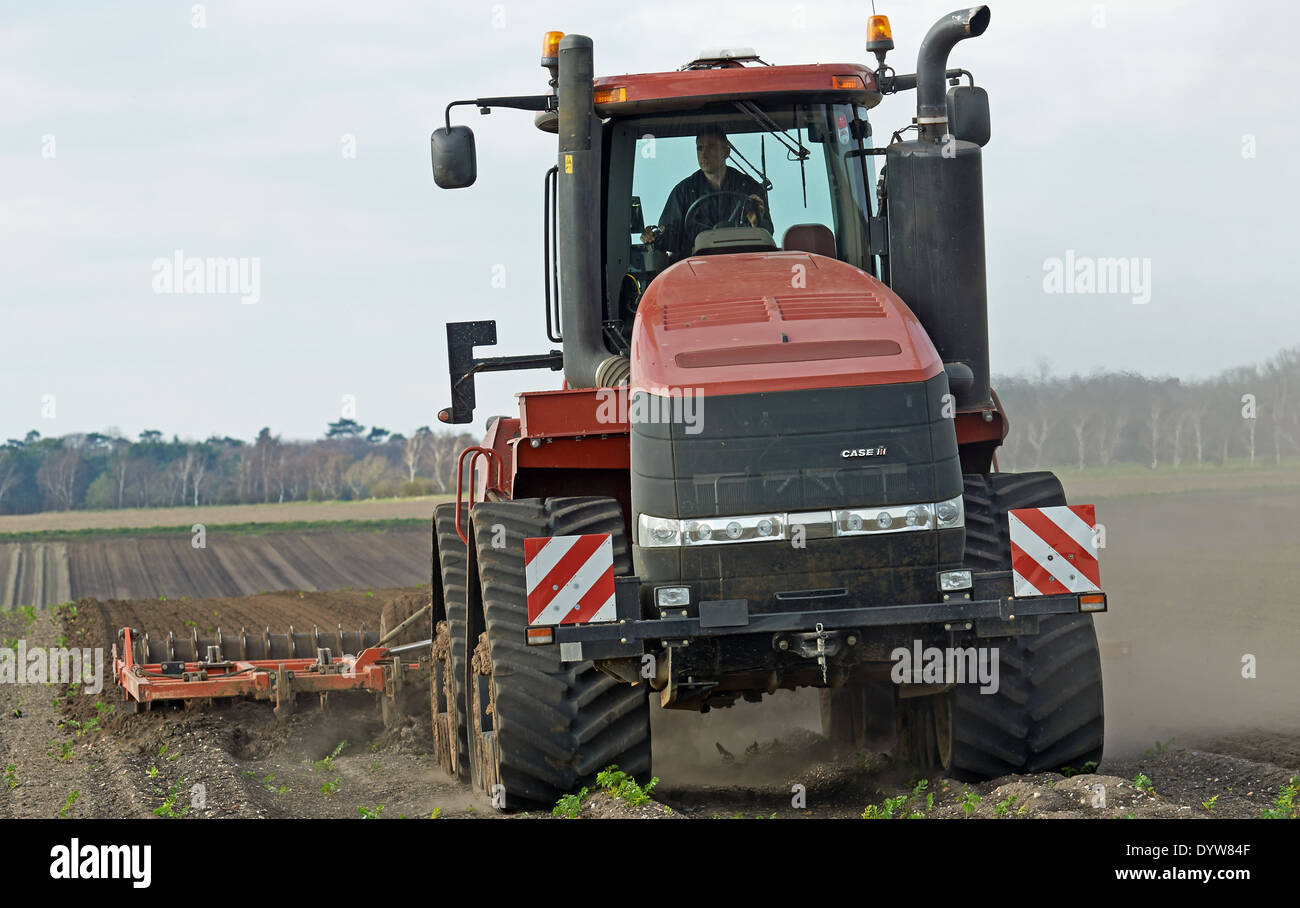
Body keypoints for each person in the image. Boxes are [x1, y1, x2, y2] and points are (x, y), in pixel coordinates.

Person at [642, 125, 774, 260]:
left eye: (711, 147)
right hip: (693, 268)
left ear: (726, 152)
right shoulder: (683, 191)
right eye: (700, 148)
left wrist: (756, 223)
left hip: (741, 263)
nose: (704, 154)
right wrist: (654, 236)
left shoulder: (749, 188)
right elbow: (671, 239)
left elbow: (767, 233)